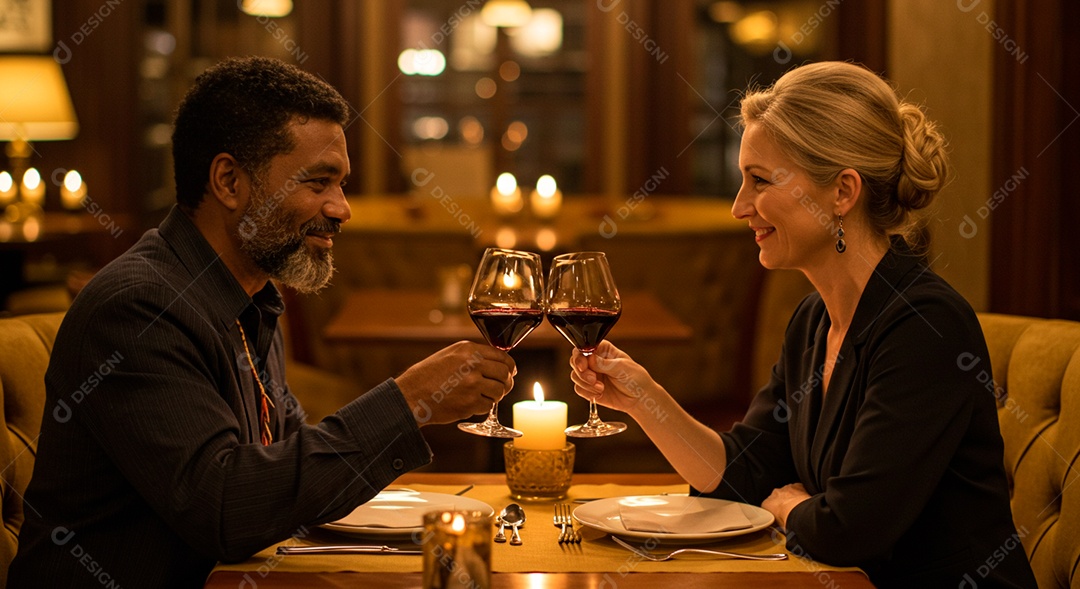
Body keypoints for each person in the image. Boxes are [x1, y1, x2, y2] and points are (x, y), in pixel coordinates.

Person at [7, 56, 515, 588]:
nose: (341, 209)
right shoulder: (140, 307)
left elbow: (285, 475)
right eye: (318, 182)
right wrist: (408, 402)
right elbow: (226, 508)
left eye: (340, 184)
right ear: (229, 181)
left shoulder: (250, 297)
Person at [569, 61, 1037, 588]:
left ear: (842, 192)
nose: (738, 207)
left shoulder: (924, 327)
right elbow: (741, 476)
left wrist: (790, 506)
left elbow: (847, 531)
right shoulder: (814, 319)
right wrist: (642, 397)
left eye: (760, 181)